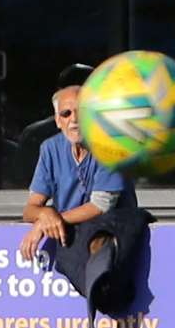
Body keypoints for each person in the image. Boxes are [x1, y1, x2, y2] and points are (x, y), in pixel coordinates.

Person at [19, 83, 137, 261]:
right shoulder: (50, 148)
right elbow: (30, 209)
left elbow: (101, 205)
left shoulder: (111, 146)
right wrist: (44, 214)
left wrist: (47, 222)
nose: (74, 120)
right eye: (66, 114)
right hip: (72, 241)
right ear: (58, 121)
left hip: (113, 240)